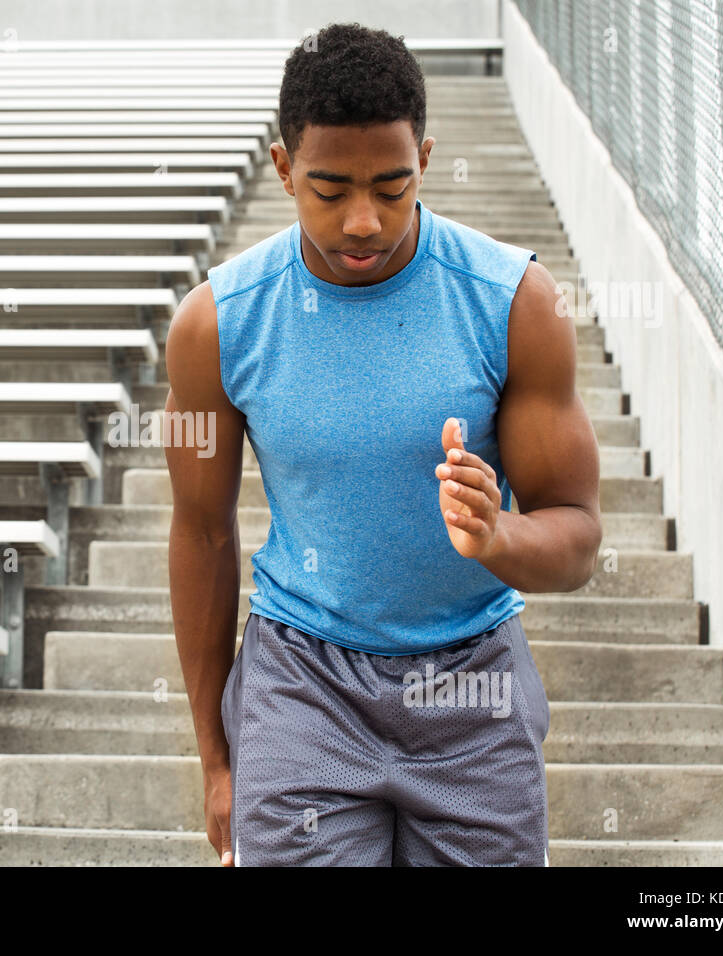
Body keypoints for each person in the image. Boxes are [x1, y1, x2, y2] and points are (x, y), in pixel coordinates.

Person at [163, 22, 602, 866]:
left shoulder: (514, 302)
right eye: (329, 190)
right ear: (284, 168)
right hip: (302, 684)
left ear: (426, 161)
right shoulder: (218, 324)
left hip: (472, 682)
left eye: (392, 187)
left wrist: (499, 534)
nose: (363, 221)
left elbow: (578, 535)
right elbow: (203, 533)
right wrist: (217, 761)